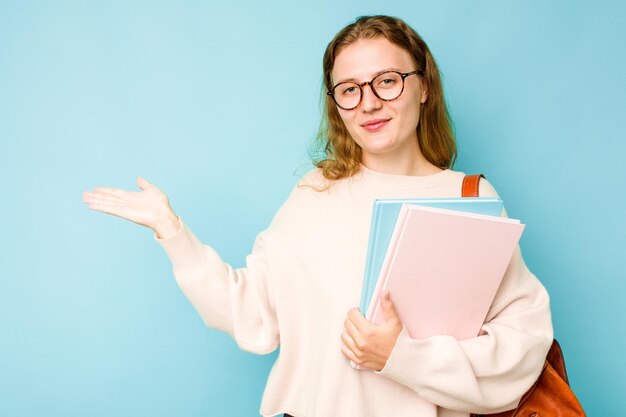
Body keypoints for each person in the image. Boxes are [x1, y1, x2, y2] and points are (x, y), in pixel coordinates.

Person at [82, 15, 553, 417]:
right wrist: (172, 231)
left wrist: (401, 357)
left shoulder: (468, 197)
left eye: (387, 81)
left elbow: (521, 344)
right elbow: (252, 316)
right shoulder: (314, 193)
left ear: (424, 86)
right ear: (337, 105)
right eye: (349, 89)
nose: (368, 102)